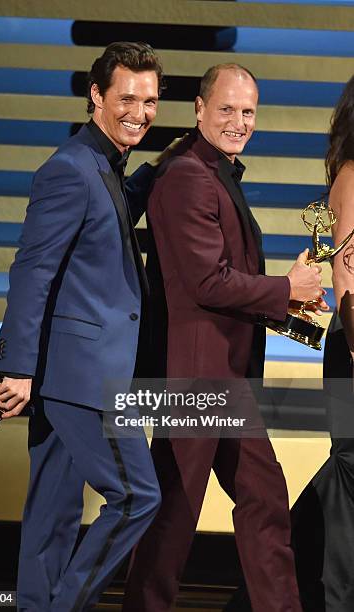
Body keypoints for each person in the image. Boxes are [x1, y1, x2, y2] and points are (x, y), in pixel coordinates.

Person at [122, 63, 326, 612]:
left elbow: (227, 279)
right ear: (199, 109)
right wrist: (285, 287)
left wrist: (291, 300)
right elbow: (207, 282)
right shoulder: (188, 174)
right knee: (174, 517)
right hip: (195, 381)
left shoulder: (212, 174)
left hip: (226, 379)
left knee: (264, 500)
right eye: (227, 109)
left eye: (248, 111)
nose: (239, 122)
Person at [0, 42, 167, 612]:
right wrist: (15, 366)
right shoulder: (70, 169)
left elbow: (106, 217)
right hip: (83, 378)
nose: (139, 111)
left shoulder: (102, 166)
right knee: (138, 496)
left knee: (51, 516)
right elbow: (32, 271)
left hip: (70, 373)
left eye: (149, 100)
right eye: (126, 98)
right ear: (96, 96)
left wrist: (164, 168)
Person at [224, 74, 354, 612]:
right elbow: (348, 273)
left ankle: (273, 588)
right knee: (350, 471)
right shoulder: (351, 176)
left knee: (346, 474)